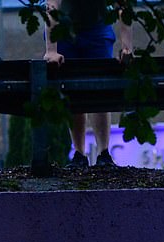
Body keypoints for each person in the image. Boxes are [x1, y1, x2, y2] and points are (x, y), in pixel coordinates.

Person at [43, 0, 133, 168]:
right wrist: (51, 51)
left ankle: (103, 153)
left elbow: (123, 6)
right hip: (64, 30)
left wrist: (127, 48)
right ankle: (79, 153)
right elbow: (52, 7)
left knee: (101, 88)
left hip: (97, 29)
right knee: (72, 91)